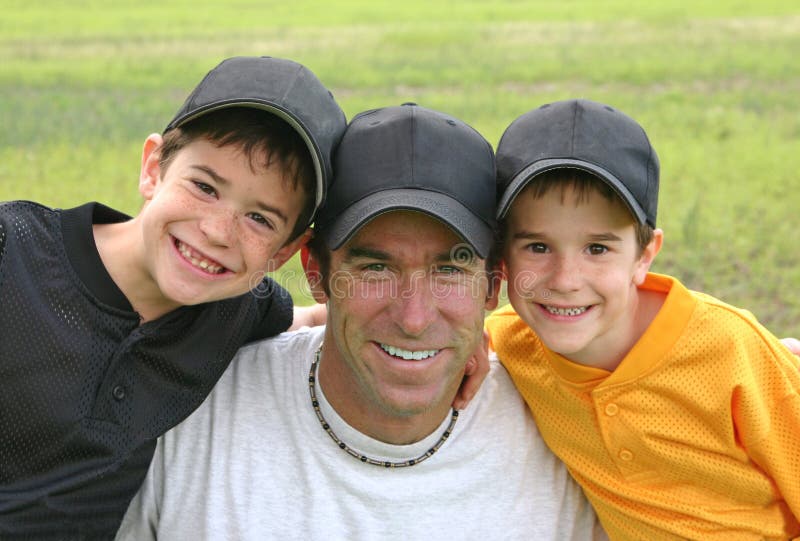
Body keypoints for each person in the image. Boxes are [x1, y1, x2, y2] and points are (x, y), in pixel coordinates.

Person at [115, 103, 604, 540]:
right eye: (375, 268)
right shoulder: (194, 406)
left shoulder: (566, 432)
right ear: (316, 273)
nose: (414, 319)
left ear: (493, 286)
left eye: (450, 271)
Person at [0, 56, 347, 539]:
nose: (216, 232)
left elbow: (316, 318)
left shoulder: (235, 310)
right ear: (152, 168)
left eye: (260, 219)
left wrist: (469, 339)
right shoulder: (12, 248)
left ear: (284, 251)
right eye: (204, 186)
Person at [485, 98, 800, 539]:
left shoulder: (732, 350)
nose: (566, 280)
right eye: (537, 247)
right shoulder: (509, 344)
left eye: (597, 248)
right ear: (501, 255)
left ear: (644, 255)